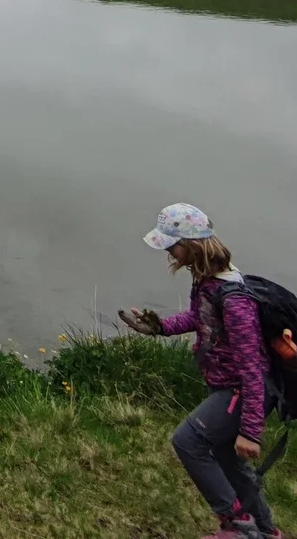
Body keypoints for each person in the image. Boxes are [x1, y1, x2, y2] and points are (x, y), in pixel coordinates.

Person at [120, 204, 283, 539]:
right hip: (227, 386)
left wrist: (251, 430)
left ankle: (237, 524)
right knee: (225, 456)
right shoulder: (209, 281)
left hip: (240, 390)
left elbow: (252, 365)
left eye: (170, 244)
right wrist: (159, 327)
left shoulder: (234, 298)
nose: (167, 251)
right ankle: (265, 531)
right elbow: (200, 318)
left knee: (188, 441)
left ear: (191, 245)